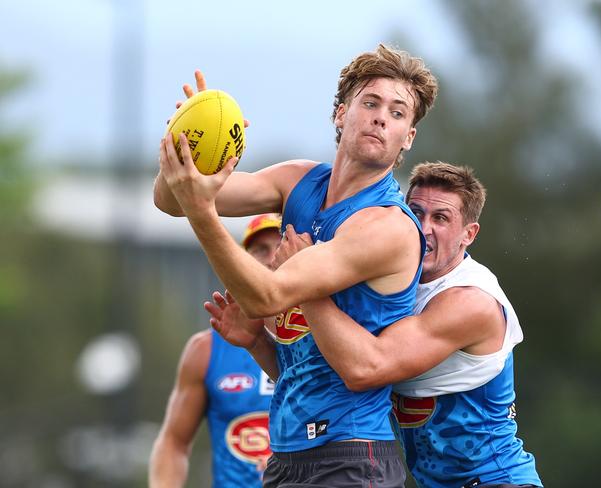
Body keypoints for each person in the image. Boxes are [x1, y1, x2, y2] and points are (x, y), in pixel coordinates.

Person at [155, 44, 438, 487]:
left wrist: (202, 212)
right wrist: (185, 144)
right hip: (287, 453)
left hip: (351, 454)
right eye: (371, 102)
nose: (383, 117)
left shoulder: (388, 227)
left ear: (408, 137)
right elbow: (173, 201)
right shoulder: (298, 180)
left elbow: (265, 295)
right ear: (341, 114)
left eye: (398, 113)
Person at [270, 162, 543, 488]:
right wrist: (254, 342)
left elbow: (365, 369)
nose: (424, 228)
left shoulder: (471, 301)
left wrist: (307, 284)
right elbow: (332, 379)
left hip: (497, 480)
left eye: (441, 218)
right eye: (416, 212)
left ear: (468, 234)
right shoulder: (392, 287)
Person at [148, 214, 282, 488]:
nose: (270, 259)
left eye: (280, 247)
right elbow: (173, 442)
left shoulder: (326, 341)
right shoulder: (206, 350)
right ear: (243, 262)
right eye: (260, 249)